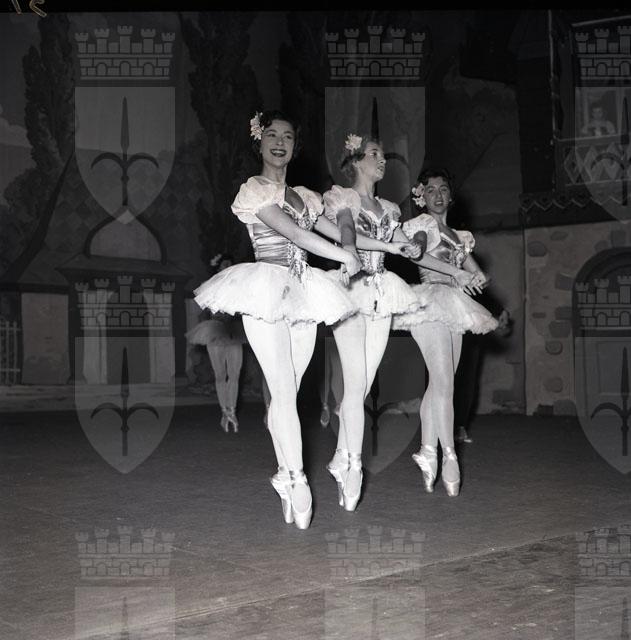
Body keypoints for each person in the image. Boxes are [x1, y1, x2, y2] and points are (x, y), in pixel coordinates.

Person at [193, 110, 363, 530]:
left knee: (290, 394)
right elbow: (295, 235)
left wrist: (349, 239)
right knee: (283, 391)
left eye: (288, 136)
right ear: (259, 142)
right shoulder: (254, 189)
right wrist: (343, 256)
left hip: (303, 293)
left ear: (295, 145)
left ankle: (284, 475)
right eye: (271, 134)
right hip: (265, 289)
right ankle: (297, 479)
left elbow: (332, 229)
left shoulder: (305, 196)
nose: (280, 142)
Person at [322, 133, 426, 512]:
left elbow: (403, 240)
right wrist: (350, 250)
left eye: (383, 154)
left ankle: (340, 457)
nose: (382, 159)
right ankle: (353, 466)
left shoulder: (389, 208)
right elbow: (348, 229)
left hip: (382, 292)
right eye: (375, 153)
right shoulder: (343, 198)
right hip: (352, 290)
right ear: (356, 161)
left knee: (362, 388)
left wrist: (415, 243)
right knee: (355, 386)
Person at [393, 167, 498, 497]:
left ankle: (427, 450)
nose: (437, 195)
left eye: (442, 189)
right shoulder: (422, 225)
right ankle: (449, 454)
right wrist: (458, 273)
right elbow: (419, 254)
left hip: (454, 304)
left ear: (451, 195)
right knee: (444, 384)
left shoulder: (459, 236)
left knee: (441, 384)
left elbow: (477, 273)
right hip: (430, 301)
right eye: (430, 189)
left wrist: (478, 278)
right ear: (421, 197)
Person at [186, 255, 246, 433]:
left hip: (234, 332)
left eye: (230, 265)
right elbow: (202, 309)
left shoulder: (238, 287)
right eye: (224, 265)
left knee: (234, 374)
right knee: (220, 374)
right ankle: (224, 412)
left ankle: (232, 411)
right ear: (218, 268)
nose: (227, 268)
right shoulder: (211, 285)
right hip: (215, 332)